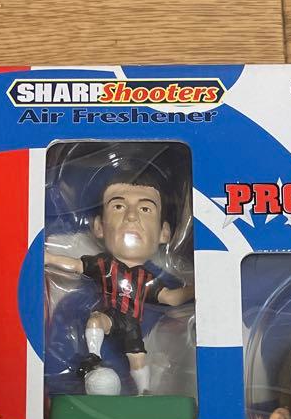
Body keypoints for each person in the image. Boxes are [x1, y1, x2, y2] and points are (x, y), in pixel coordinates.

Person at [45, 168, 194, 395]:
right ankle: (94, 355)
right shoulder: (101, 268)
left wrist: (199, 288)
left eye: (145, 209)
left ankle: (144, 391)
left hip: (131, 323)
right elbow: (76, 265)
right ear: (99, 226)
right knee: (95, 321)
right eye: (118, 206)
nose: (131, 216)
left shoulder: (149, 280)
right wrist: (49, 258)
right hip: (110, 315)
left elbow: (172, 298)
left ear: (164, 233)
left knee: (137, 356)